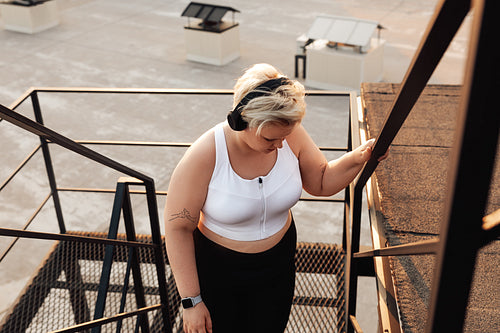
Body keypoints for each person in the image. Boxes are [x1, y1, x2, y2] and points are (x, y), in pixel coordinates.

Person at [164, 63, 387, 333]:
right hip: (218, 271)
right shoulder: (205, 154)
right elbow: (178, 228)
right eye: (271, 138)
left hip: (277, 264)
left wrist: (359, 157)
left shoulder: (287, 133)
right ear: (243, 121)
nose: (280, 145)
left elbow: (320, 181)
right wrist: (192, 301)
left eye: (285, 136)